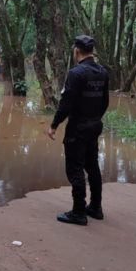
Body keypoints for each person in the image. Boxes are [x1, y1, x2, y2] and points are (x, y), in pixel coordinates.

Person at [46, 35, 109, 226]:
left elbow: (66, 104)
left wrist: (54, 125)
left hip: (78, 128)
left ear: (77, 51)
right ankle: (96, 208)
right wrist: (95, 118)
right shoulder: (102, 72)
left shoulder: (76, 73)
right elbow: (105, 102)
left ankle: (78, 212)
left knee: (75, 169)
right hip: (94, 125)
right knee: (92, 166)